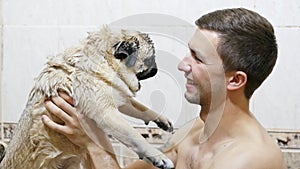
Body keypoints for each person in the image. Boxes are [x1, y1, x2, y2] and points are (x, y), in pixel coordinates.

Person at [42, 8, 286, 169]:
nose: (182, 65)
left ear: (235, 81)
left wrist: (93, 142)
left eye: (198, 59)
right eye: (188, 53)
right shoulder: (197, 129)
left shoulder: (248, 159)